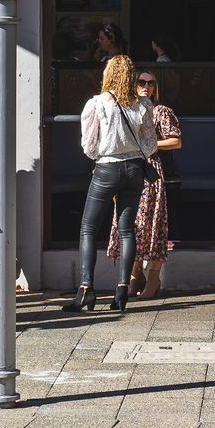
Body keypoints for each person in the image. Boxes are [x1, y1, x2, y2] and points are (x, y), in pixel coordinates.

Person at [65, 53, 157, 313]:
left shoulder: (97, 103)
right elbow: (150, 143)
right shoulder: (143, 104)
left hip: (107, 167)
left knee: (88, 228)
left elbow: (88, 145)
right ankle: (121, 291)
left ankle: (86, 290)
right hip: (135, 168)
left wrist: (102, 154)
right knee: (126, 229)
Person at [107, 69, 182, 299]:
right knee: (132, 225)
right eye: (141, 82)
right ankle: (133, 275)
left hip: (150, 171)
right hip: (129, 168)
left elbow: (176, 140)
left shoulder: (160, 111)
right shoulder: (129, 109)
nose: (146, 86)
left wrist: (150, 143)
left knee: (153, 223)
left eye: (150, 83)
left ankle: (153, 278)